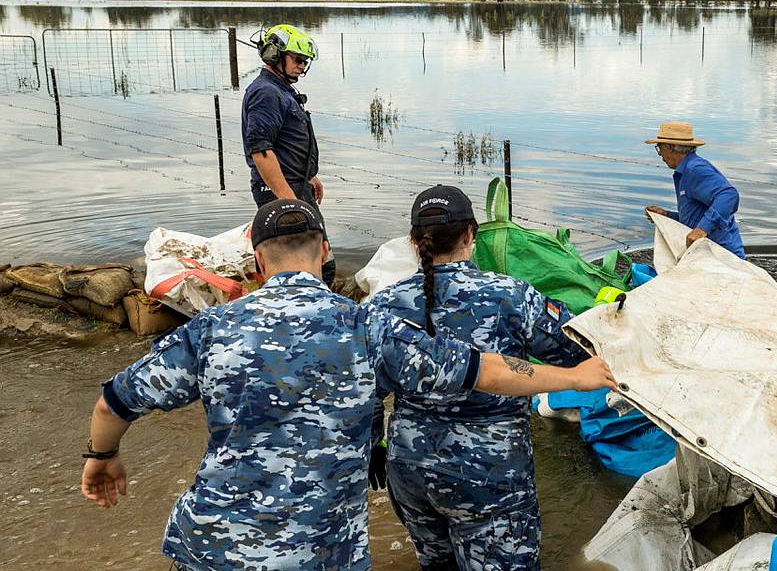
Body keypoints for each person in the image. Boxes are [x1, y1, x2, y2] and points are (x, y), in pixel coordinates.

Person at [79, 198, 617, 570]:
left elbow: (114, 402)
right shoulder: (368, 327)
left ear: (259, 259)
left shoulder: (213, 327)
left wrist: (101, 456)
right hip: (322, 551)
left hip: (212, 544)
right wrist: (575, 376)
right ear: (325, 249)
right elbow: (486, 370)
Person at [367, 185, 594, 570]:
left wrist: (376, 444)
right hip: (490, 471)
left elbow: (367, 389)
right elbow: (574, 350)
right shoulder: (511, 295)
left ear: (413, 239)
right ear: (471, 234)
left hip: (410, 470)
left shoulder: (381, 304)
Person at [241, 23, 336, 285]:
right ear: (274, 55)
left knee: (318, 261)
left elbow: (286, 144)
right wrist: (289, 202)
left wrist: (309, 176)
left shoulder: (281, 90)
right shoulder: (266, 93)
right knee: (309, 265)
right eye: (298, 59)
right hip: (279, 192)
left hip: (295, 185)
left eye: (305, 61)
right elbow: (261, 151)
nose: (302, 66)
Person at [643, 121, 746, 258]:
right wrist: (666, 215)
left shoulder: (695, 169)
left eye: (659, 147)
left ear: (670, 147)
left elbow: (729, 195)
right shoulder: (684, 171)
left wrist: (702, 229)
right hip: (705, 253)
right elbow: (694, 218)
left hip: (723, 255)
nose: (660, 154)